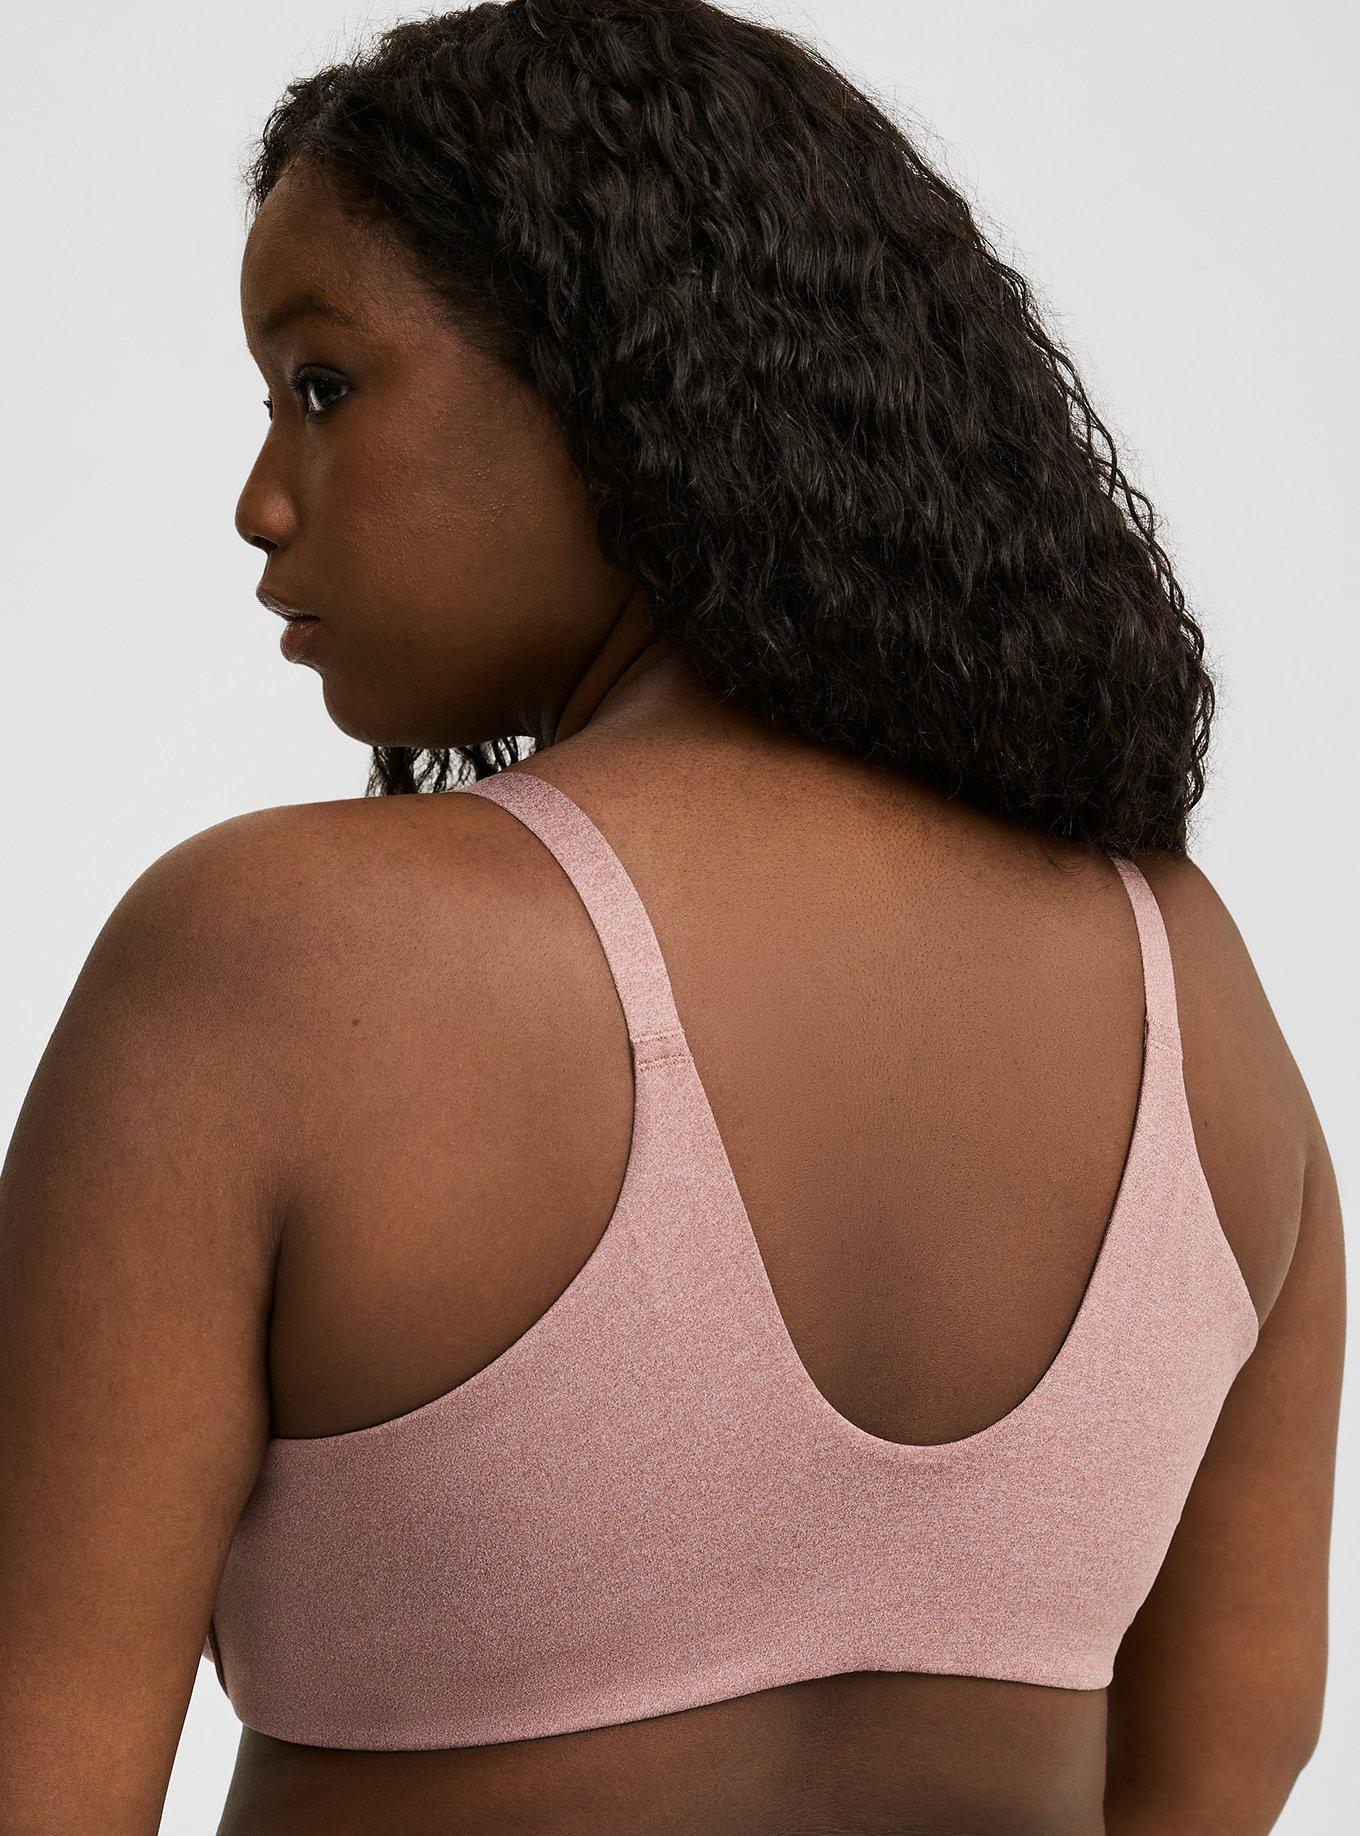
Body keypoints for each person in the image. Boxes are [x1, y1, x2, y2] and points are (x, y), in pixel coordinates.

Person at [0, 3, 1343, 1832]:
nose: (260, 502)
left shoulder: (268, 962)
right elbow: (1219, 1775)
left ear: (622, 381)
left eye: (322, 387)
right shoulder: (1193, 996)